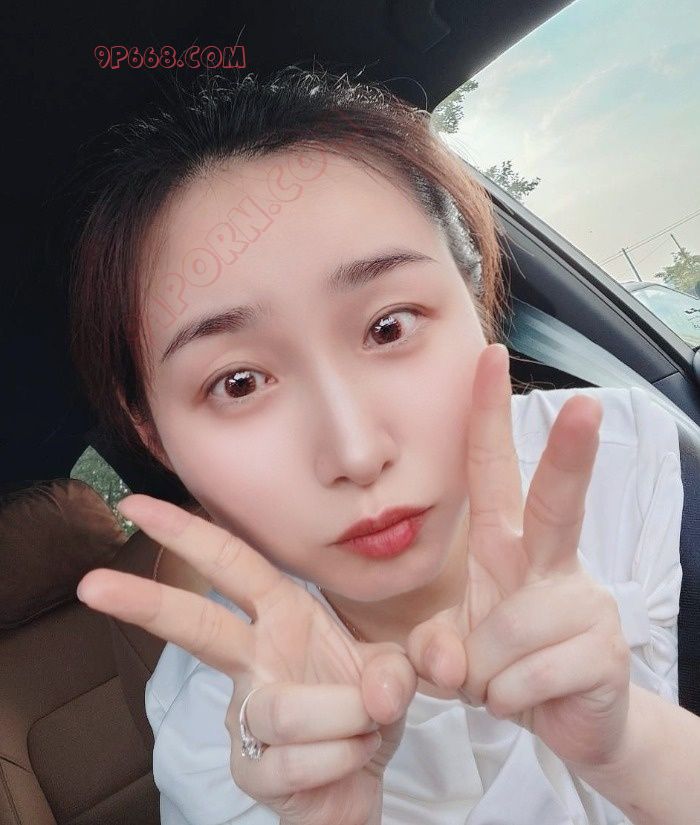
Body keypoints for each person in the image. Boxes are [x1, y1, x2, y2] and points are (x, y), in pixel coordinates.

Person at [68, 67, 692, 824]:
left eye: (389, 327)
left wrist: (627, 744)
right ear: (157, 440)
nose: (357, 453)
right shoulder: (218, 732)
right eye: (238, 383)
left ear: (475, 300)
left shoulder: (631, 464)